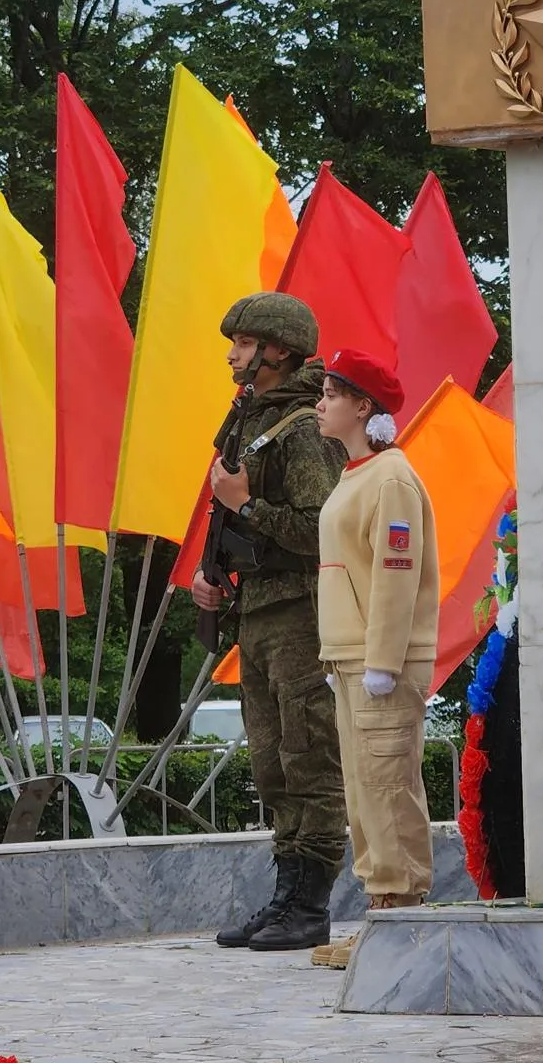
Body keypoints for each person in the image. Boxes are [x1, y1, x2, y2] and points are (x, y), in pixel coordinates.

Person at [196, 292, 349, 952]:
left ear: (276, 351)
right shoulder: (251, 420)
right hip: (258, 609)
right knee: (270, 763)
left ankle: (311, 908)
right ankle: (286, 895)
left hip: (300, 612)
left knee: (306, 753)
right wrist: (216, 583)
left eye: (243, 342)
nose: (232, 353)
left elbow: (326, 530)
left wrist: (248, 505)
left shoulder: (302, 428)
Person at [306, 348, 438, 971]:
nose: (320, 403)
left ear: (364, 406)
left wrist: (385, 658)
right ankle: (383, 914)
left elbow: (396, 572)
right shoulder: (357, 473)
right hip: (352, 656)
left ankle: (399, 918)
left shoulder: (390, 477)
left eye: (333, 394)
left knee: (387, 787)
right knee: (364, 789)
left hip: (378, 661)